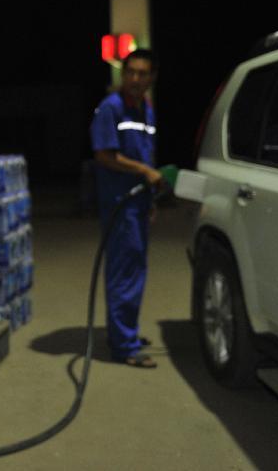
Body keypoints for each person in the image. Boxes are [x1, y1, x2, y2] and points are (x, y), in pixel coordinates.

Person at [89, 48, 163, 368]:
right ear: (122, 74)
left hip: (137, 203)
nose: (134, 79)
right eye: (130, 72)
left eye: (142, 73)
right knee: (125, 274)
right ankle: (124, 348)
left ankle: (125, 333)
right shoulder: (112, 108)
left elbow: (146, 154)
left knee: (133, 271)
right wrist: (145, 173)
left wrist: (150, 199)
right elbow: (104, 156)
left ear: (151, 78)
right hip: (120, 205)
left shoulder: (145, 109)